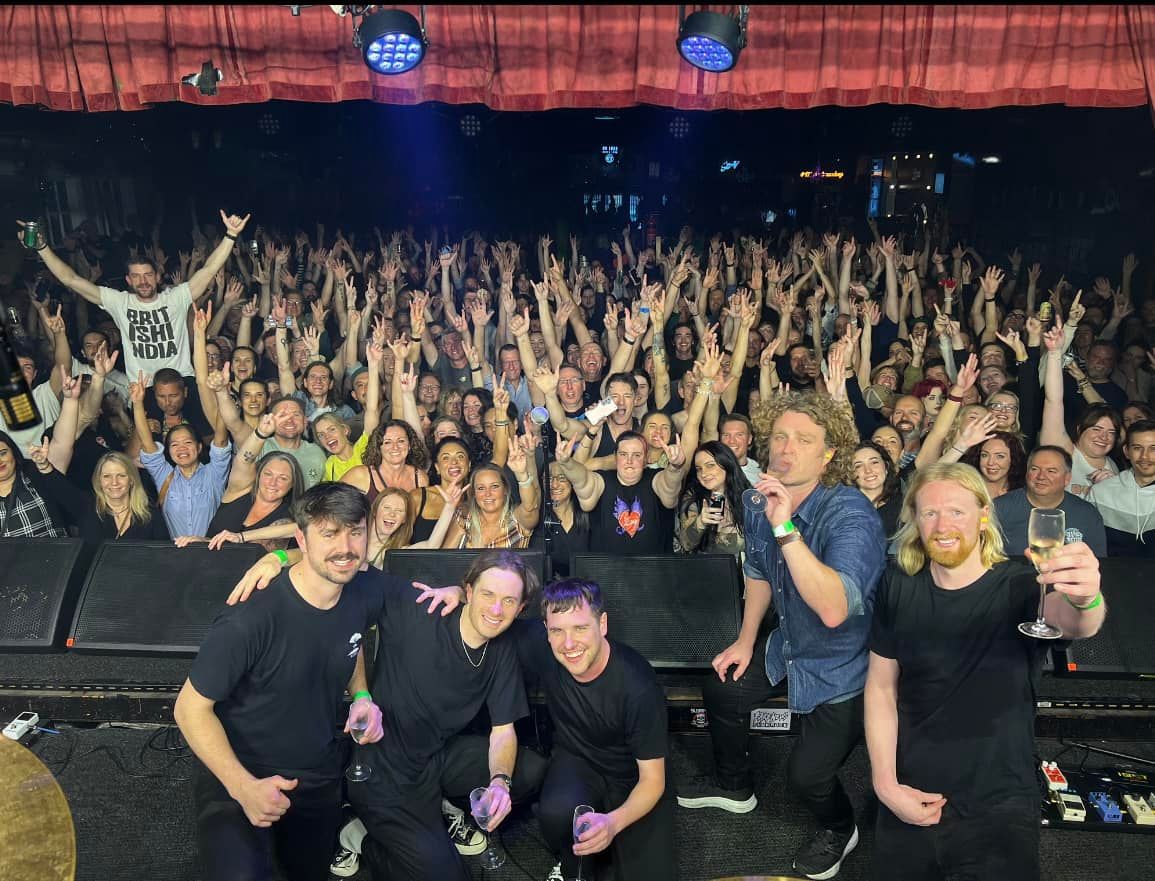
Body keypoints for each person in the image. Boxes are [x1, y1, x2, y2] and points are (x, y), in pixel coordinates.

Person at [227, 549, 548, 881]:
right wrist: (278, 557)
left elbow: (503, 730)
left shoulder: (501, 647)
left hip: (436, 755)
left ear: (521, 607)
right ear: (467, 591)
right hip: (383, 767)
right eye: (488, 594)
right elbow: (343, 562)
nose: (496, 609)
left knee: (530, 770)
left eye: (509, 601)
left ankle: (439, 808)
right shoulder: (418, 606)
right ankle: (359, 835)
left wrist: (499, 784)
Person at [678, 390, 886, 881]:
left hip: (845, 666)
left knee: (807, 777)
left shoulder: (851, 513)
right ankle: (736, 786)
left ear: (828, 453)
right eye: (780, 438)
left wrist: (785, 525)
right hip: (787, 645)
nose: (786, 449)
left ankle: (840, 827)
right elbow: (759, 574)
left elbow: (836, 609)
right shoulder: (756, 499)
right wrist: (747, 640)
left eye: (804, 440)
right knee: (722, 687)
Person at [865, 462, 1105, 880]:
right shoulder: (897, 583)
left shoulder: (1023, 583)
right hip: (912, 786)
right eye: (929, 512)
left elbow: (1075, 623)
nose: (942, 525)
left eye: (956, 511)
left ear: (982, 515)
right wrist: (885, 784)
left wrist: (1086, 598)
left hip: (999, 798)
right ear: (914, 520)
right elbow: (881, 687)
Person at [173, 483, 386, 881]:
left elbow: (351, 641)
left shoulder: (361, 590)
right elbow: (188, 708)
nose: (346, 546)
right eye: (329, 533)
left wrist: (361, 695)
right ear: (302, 539)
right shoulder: (249, 618)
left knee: (308, 872)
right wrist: (242, 786)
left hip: (317, 775)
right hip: (238, 774)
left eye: (355, 531)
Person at [515, 578, 675, 881]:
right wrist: (458, 592)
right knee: (555, 815)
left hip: (633, 776)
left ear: (602, 624)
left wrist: (613, 823)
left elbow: (653, 781)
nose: (569, 643)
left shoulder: (638, 685)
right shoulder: (544, 645)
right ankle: (572, 865)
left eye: (580, 628)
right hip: (576, 759)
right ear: (547, 631)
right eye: (557, 631)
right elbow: (492, 616)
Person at [20, 211, 250, 383]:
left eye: (148, 275)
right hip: (143, 388)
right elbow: (71, 279)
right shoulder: (119, 301)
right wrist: (42, 248)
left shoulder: (176, 297)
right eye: (137, 277)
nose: (143, 281)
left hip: (183, 381)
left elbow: (209, 269)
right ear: (128, 281)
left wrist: (230, 235)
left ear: (158, 277)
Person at [131, 371, 233, 539]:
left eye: (187, 442)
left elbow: (221, 439)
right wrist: (137, 403)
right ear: (168, 451)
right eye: (175, 444)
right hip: (175, 557)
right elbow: (147, 442)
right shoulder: (163, 475)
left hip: (212, 554)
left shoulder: (214, 474)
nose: (182, 448)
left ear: (199, 447)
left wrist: (222, 395)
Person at [994, 445, 1108, 558]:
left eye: (1051, 471)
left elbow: (1098, 563)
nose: (1041, 476)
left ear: (1067, 478)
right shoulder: (998, 509)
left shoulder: (1087, 515)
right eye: (1034, 469)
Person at [441, 436, 540, 549]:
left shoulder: (517, 520)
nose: (488, 494)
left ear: (505, 490)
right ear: (474, 493)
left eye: (494, 487)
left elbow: (530, 506)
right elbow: (445, 557)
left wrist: (521, 475)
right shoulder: (464, 516)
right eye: (481, 488)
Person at [1088, 419, 1155, 557]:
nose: (1145, 456)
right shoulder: (1101, 492)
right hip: (1111, 574)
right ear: (1126, 451)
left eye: (1153, 449)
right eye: (1137, 448)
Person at [675, 440, 750, 558]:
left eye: (710, 465)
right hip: (703, 571)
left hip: (743, 573)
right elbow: (686, 543)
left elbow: (773, 540)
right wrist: (700, 523)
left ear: (727, 464)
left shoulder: (748, 496)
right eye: (699, 469)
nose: (703, 473)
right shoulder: (693, 496)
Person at [852, 440, 903, 537]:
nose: (868, 470)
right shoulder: (843, 509)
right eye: (858, 466)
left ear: (886, 467)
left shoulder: (904, 505)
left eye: (874, 462)